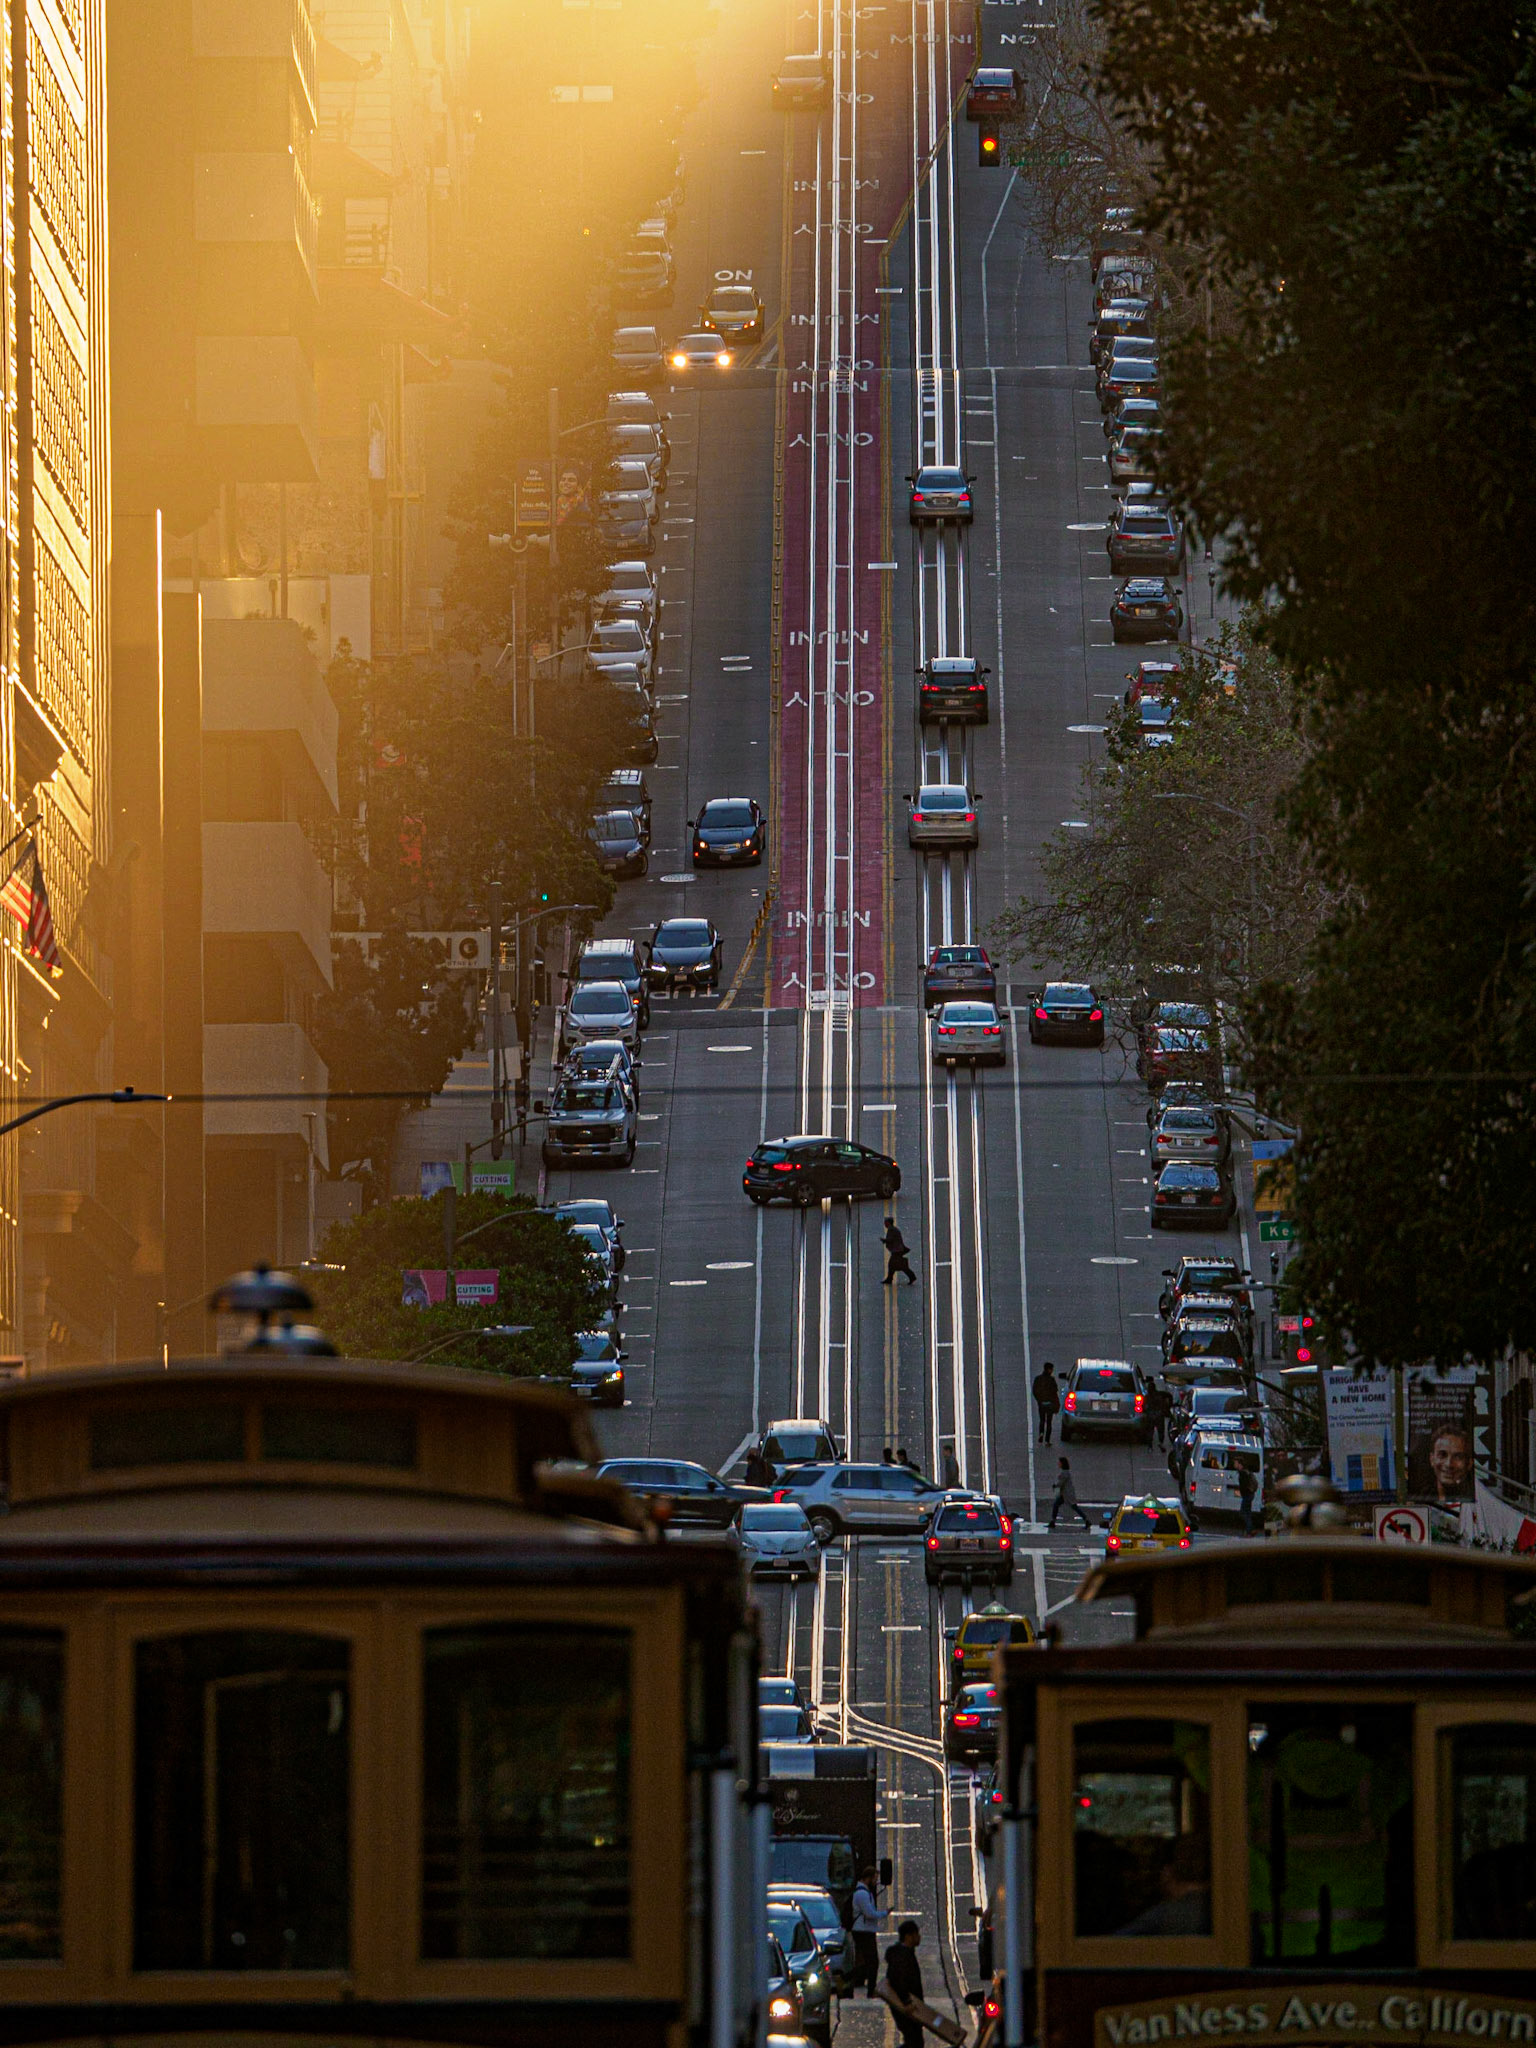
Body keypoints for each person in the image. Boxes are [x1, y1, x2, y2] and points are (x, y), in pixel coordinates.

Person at [883, 1919, 926, 2048]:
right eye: (916, 1934)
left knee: (914, 2041)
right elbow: (899, 1981)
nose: (919, 1937)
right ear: (908, 1936)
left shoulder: (904, 1954)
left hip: (909, 2005)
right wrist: (906, 2002)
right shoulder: (902, 1957)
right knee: (914, 2041)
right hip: (906, 2007)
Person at [850, 1866, 888, 1995]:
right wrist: (884, 1913)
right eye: (874, 1878)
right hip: (863, 1931)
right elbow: (869, 1913)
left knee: (867, 1960)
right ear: (868, 1878)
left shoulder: (865, 1892)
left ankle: (862, 1983)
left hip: (866, 1930)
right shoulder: (862, 1893)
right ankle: (870, 1989)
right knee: (872, 1961)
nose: (875, 1881)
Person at [1049, 1455, 1091, 1530]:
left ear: (1062, 1464)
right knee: (1057, 1505)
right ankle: (1053, 1522)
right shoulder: (1065, 1472)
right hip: (1065, 1494)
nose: (1058, 1464)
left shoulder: (1064, 1473)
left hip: (1067, 1495)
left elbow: (1060, 1483)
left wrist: (1055, 1485)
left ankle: (1087, 1520)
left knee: (1074, 1507)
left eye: (1059, 1462)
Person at [882, 1218, 918, 1287]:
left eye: (885, 1223)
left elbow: (890, 1240)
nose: (884, 1224)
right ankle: (889, 1279)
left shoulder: (891, 1230)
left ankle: (912, 1277)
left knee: (899, 1265)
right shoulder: (893, 1229)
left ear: (888, 1223)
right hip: (898, 1250)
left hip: (897, 1250)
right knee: (892, 1265)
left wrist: (884, 1240)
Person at [1032, 1361, 1060, 1444]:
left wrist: (1039, 1400)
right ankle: (1047, 1440)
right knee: (1049, 1422)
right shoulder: (1051, 1380)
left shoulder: (1038, 1379)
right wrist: (1056, 1403)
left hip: (1041, 1403)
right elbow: (1055, 1392)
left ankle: (1041, 1433)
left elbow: (1035, 1391)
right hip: (1049, 1404)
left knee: (1042, 1420)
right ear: (1049, 1370)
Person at [1146, 1377, 1172, 1450]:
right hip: (1159, 1415)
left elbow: (1144, 1406)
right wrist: (1169, 1406)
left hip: (1151, 1415)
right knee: (1160, 1430)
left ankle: (1150, 1446)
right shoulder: (1161, 1394)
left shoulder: (1147, 1397)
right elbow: (1169, 1395)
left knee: (1150, 1431)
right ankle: (1160, 1443)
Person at [1238, 1459, 1258, 1537]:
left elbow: (1244, 1485)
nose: (1235, 1465)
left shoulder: (1243, 1473)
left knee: (1243, 1512)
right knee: (1247, 1512)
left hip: (1247, 1494)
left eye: (1237, 1463)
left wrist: (1244, 1491)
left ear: (1241, 1465)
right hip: (1249, 1494)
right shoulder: (1247, 1472)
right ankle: (1249, 1530)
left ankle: (1250, 1530)